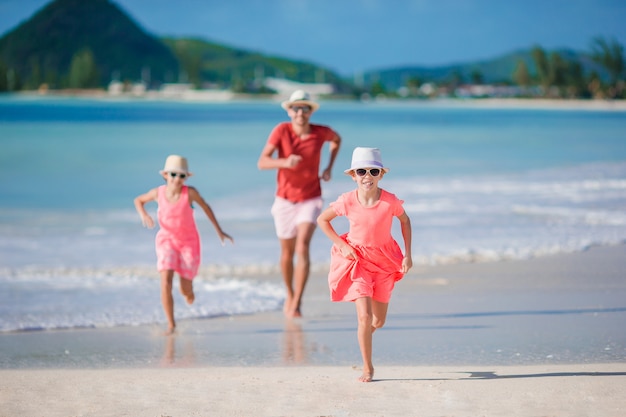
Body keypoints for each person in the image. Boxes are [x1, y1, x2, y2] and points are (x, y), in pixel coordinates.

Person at [317, 147, 413, 382]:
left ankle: (364, 337)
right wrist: (342, 245)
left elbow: (405, 220)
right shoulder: (347, 201)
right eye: (361, 171)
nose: (367, 176)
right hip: (357, 261)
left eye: (373, 171)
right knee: (364, 317)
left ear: (381, 174)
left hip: (384, 261)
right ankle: (368, 367)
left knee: (378, 321)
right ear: (353, 175)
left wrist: (408, 254)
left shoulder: (389, 201)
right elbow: (323, 220)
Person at [257, 90, 341, 318]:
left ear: (310, 111)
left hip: (311, 198)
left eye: (305, 108)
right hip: (284, 200)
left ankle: (297, 302)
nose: (300, 112)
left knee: (303, 246)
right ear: (289, 111)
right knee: (287, 252)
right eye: (295, 108)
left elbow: (336, 139)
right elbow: (262, 162)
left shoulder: (320, 132)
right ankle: (289, 291)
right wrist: (285, 162)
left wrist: (329, 167)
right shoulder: (281, 131)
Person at [134, 155, 233, 334]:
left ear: (186, 178)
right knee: (166, 281)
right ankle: (171, 324)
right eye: (173, 175)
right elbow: (138, 200)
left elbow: (206, 207)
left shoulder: (190, 193)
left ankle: (189, 291)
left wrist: (219, 231)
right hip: (167, 240)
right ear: (165, 175)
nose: (177, 179)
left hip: (188, 242)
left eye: (181, 176)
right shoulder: (158, 193)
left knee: (185, 288)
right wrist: (144, 215)